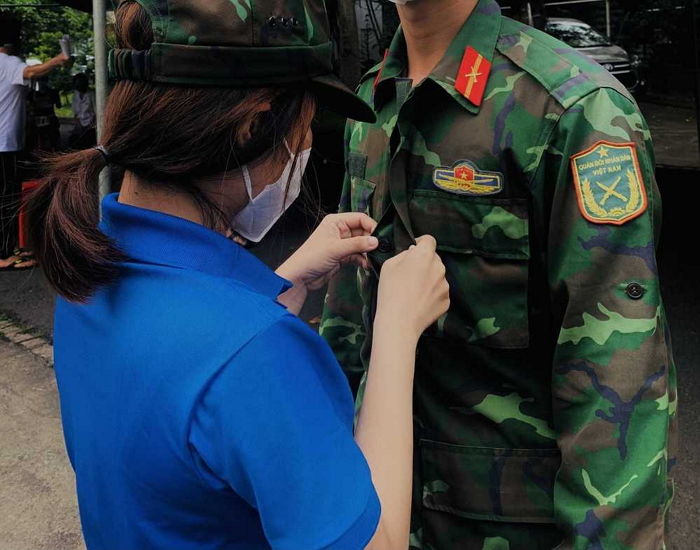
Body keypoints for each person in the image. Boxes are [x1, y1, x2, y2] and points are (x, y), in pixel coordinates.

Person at [26, 1, 450, 549]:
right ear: (253, 125)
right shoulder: (256, 353)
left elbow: (190, 402)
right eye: (306, 124)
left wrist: (287, 280)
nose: (306, 146)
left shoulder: (89, 265)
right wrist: (396, 327)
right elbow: (379, 543)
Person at [321, 0, 677, 548]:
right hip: (374, 509)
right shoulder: (372, 99)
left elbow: (619, 368)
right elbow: (349, 312)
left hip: (511, 524)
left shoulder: (575, 110)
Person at [0, 40, 69, 268]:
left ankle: (8, 247)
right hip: (4, 145)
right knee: (6, 197)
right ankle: (3, 255)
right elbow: (31, 71)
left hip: (6, 142)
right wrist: (58, 59)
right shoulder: (9, 62)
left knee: (7, 194)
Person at [68, 72, 96, 150]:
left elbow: (96, 113)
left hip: (91, 125)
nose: (79, 87)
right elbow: (76, 114)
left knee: (88, 142)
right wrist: (78, 125)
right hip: (79, 125)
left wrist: (90, 126)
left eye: (80, 84)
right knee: (73, 142)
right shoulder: (75, 95)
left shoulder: (92, 94)